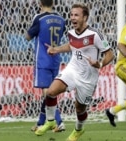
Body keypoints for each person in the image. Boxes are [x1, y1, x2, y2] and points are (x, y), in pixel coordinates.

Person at [34, 3, 114, 141]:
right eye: (71, 15)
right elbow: (72, 46)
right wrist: (56, 49)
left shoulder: (95, 35)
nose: (72, 18)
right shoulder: (71, 33)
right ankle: (51, 120)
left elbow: (110, 54)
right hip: (72, 69)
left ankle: (79, 129)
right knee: (51, 92)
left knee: (79, 108)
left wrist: (99, 63)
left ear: (85, 17)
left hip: (88, 78)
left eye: (76, 15)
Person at [25, 0, 65, 132]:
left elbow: (28, 37)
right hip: (55, 60)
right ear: (53, 3)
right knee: (50, 92)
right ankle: (40, 122)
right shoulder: (61, 19)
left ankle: (59, 122)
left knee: (48, 93)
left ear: (40, 4)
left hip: (42, 60)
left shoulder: (39, 18)